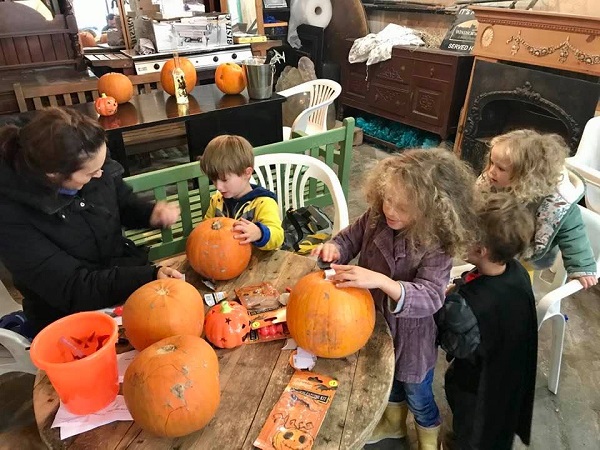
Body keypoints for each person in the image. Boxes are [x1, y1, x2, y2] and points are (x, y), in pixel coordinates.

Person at [313, 148, 479, 449]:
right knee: (385, 383)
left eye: (402, 207)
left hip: (412, 337)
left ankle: (428, 436)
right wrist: (335, 249)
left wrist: (382, 281)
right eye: (388, 198)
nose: (390, 209)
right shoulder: (377, 216)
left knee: (416, 391)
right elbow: (350, 237)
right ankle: (393, 424)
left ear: (430, 211)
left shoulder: (435, 244)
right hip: (371, 320)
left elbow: (430, 296)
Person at [0, 107, 182, 336]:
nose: (100, 174)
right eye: (91, 173)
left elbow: (120, 200)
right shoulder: (11, 219)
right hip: (67, 315)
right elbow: (74, 287)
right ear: (54, 175)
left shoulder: (87, 157)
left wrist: (148, 213)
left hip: (118, 279)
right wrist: (145, 276)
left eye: (102, 165)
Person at [435, 192, 537, 449]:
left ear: (480, 250)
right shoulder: (517, 272)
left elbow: (455, 345)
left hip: (478, 386)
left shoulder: (466, 306)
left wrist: (444, 303)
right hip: (511, 373)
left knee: (473, 430)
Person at [478, 129, 597, 288]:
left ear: (526, 174)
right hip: (496, 246)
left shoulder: (555, 201)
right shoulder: (493, 180)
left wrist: (583, 266)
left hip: (526, 253)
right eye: (492, 163)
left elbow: (573, 233)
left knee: (516, 281)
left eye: (501, 168)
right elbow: (474, 202)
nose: (491, 170)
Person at [199, 135, 284, 250]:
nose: (218, 186)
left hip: (258, 260)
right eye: (213, 180)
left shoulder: (264, 203)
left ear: (247, 173)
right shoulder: (217, 201)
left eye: (224, 180)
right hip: (223, 258)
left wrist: (260, 233)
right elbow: (205, 227)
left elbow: (278, 236)